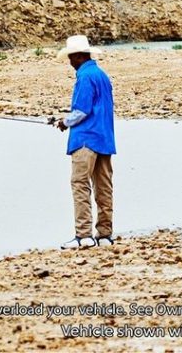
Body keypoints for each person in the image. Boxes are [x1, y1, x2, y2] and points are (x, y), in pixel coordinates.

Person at [55, 35, 115, 249]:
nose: (70, 62)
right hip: (105, 138)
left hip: (85, 139)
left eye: (71, 58)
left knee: (80, 185)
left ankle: (83, 235)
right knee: (103, 187)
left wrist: (64, 122)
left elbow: (82, 110)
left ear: (79, 56)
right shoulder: (101, 75)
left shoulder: (85, 76)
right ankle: (105, 234)